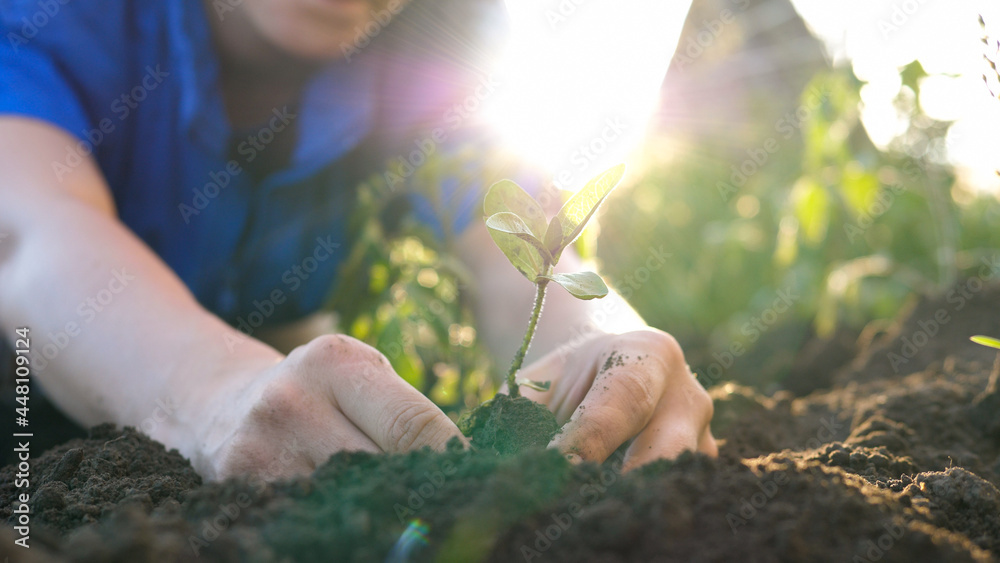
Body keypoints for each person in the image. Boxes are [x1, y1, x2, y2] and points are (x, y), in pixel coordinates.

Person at [0, 0, 716, 480]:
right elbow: (30, 231)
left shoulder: (429, 45)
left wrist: (615, 349)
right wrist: (220, 390)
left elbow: (521, 253)